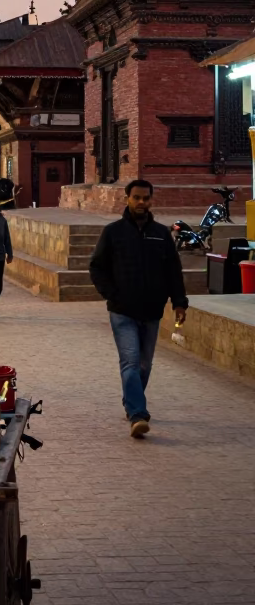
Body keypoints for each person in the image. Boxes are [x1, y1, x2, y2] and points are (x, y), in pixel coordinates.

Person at [89, 178, 188, 439]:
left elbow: (173, 271)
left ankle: (131, 400)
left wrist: (179, 302)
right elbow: (97, 267)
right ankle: (138, 414)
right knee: (130, 361)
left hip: (152, 310)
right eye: (137, 198)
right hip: (122, 310)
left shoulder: (161, 234)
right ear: (127, 199)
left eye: (146, 198)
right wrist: (111, 294)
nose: (141, 202)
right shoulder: (113, 233)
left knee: (144, 365)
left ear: (151, 200)